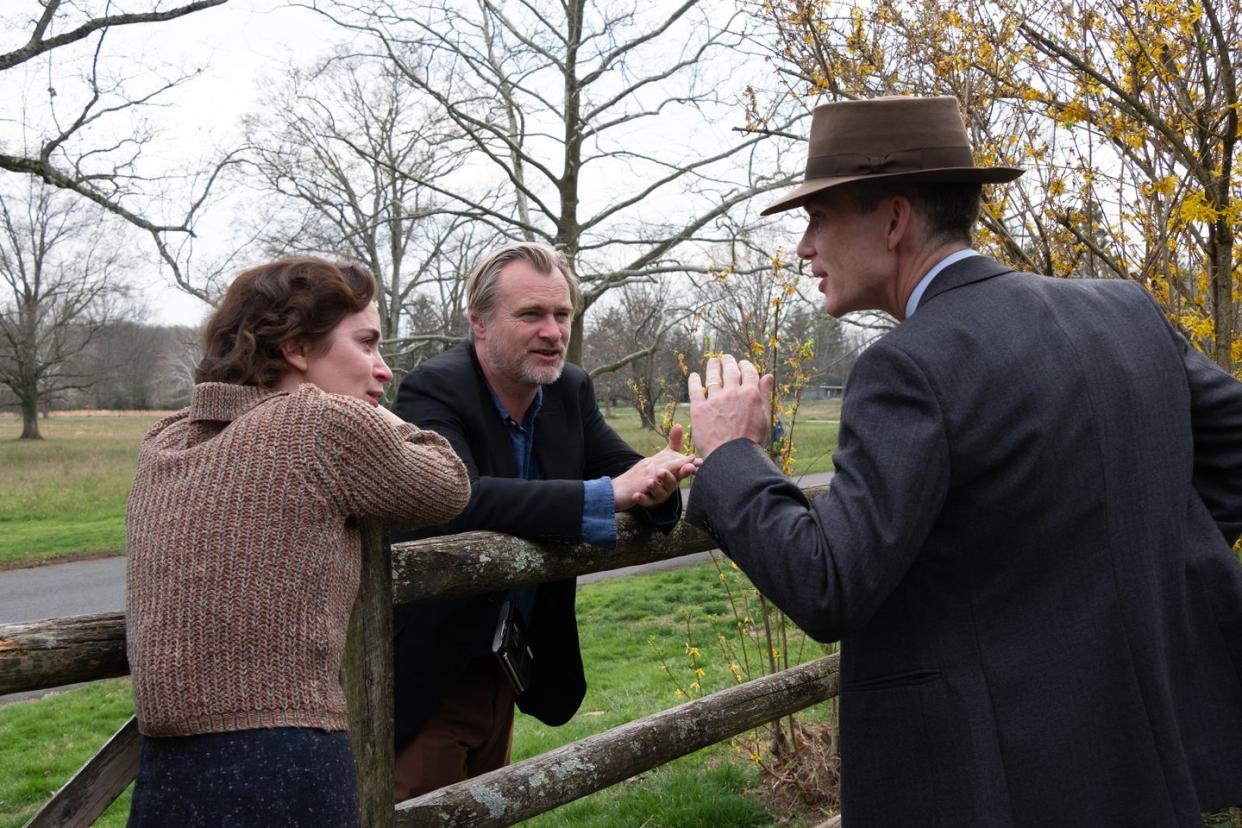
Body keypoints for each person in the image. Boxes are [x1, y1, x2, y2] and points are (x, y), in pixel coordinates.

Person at [685, 96, 1242, 826]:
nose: (803, 247)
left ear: (893, 218)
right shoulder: (1125, 312)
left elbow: (829, 582)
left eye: (819, 216)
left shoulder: (908, 368)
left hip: (997, 789)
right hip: (1138, 768)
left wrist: (731, 455)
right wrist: (1137, 564)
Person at [124, 257, 470, 826]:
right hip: (283, 763)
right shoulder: (318, 425)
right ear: (297, 349)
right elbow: (447, 484)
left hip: (165, 771)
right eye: (367, 344)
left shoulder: (165, 439)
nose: (383, 370)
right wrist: (372, 416)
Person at [389, 241, 699, 800]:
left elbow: (624, 469)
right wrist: (605, 496)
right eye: (530, 314)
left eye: (562, 315)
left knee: (488, 811)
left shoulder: (568, 391)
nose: (553, 332)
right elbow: (458, 498)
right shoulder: (432, 389)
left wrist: (658, 482)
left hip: (508, 667)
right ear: (478, 323)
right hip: (432, 670)